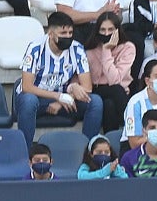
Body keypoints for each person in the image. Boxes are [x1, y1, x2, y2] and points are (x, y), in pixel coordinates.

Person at [15, 12, 100, 143]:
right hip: (37, 98)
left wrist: (64, 99)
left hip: (65, 99)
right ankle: (25, 151)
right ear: (50, 34)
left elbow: (87, 87)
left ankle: (89, 149)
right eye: (63, 33)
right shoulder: (35, 48)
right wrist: (58, 96)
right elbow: (27, 87)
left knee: (95, 102)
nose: (68, 37)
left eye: (70, 33)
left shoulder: (77, 49)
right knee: (29, 101)